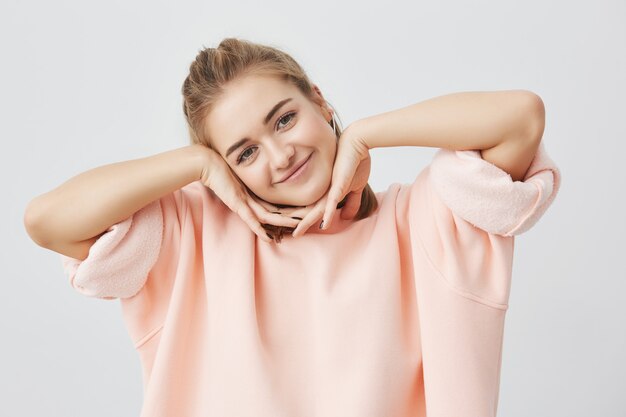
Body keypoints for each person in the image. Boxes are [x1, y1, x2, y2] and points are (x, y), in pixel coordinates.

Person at [23, 37, 561, 416]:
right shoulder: (191, 237)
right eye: (245, 151)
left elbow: (522, 116)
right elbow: (46, 221)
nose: (280, 156)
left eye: (284, 119)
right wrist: (196, 166)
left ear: (319, 101)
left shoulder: (422, 223)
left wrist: (367, 133)